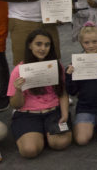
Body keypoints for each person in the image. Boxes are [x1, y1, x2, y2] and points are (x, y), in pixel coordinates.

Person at [7, 28, 72, 158]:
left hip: (53, 112)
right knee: (29, 151)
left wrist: (64, 114)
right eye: (38, 44)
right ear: (30, 45)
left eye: (47, 45)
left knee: (60, 143)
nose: (43, 48)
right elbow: (15, 105)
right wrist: (19, 90)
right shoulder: (19, 70)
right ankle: (39, 134)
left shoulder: (56, 66)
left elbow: (62, 93)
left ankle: (44, 134)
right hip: (28, 114)